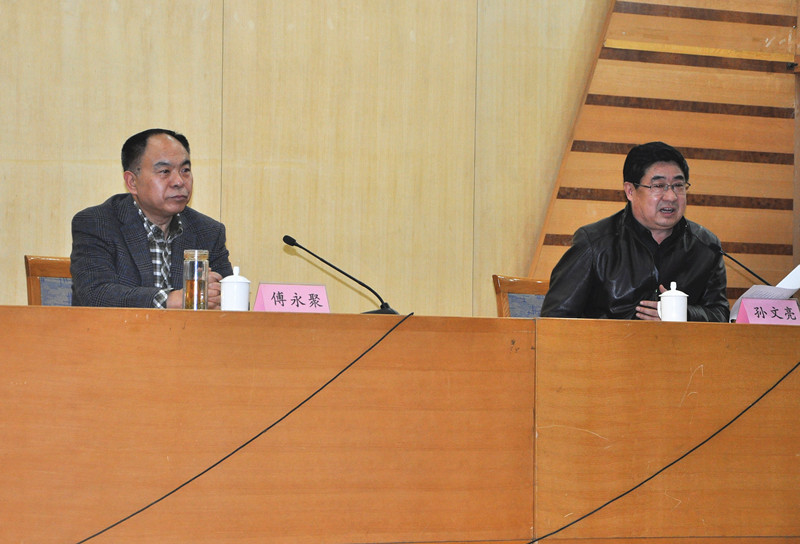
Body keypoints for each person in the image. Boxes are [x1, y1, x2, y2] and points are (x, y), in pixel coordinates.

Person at [541, 141, 729, 322]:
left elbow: (720, 315)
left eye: (678, 186)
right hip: (609, 344)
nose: (671, 196)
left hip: (682, 345)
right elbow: (554, 320)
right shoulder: (595, 243)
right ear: (630, 191)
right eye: (658, 186)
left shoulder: (706, 246)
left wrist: (684, 314)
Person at [71, 128, 233, 308]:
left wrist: (220, 297)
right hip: (119, 327)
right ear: (132, 182)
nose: (179, 181)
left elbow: (231, 302)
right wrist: (176, 299)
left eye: (185, 170)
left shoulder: (209, 231)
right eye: (164, 171)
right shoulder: (97, 223)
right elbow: (95, 295)